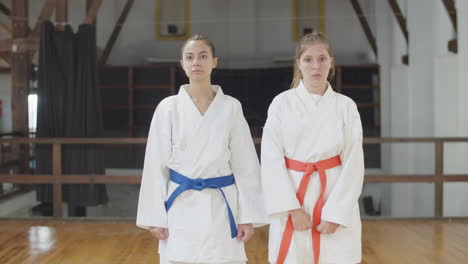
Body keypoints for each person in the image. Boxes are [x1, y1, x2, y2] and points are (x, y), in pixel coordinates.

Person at [136, 34, 266, 264]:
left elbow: (245, 164)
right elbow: (155, 165)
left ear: (214, 61)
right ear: (182, 64)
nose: (196, 62)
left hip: (222, 205)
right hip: (180, 205)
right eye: (190, 57)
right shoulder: (168, 108)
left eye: (203, 56)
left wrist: (248, 216)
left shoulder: (230, 107)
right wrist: (155, 216)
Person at [261, 32, 364, 264]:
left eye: (322, 59)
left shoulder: (346, 106)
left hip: (333, 191)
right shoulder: (281, 103)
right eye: (308, 59)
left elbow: (354, 161)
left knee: (335, 256)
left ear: (331, 62)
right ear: (299, 63)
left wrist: (337, 213)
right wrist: (292, 208)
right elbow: (270, 160)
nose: (315, 66)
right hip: (293, 190)